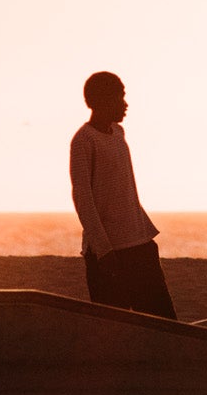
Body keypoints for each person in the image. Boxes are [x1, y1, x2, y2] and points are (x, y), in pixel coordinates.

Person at [69, 71, 177, 318]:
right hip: (110, 252)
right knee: (114, 329)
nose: (125, 104)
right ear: (103, 101)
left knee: (162, 321)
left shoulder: (119, 133)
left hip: (139, 244)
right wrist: (104, 250)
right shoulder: (83, 141)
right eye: (120, 97)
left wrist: (146, 235)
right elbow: (83, 198)